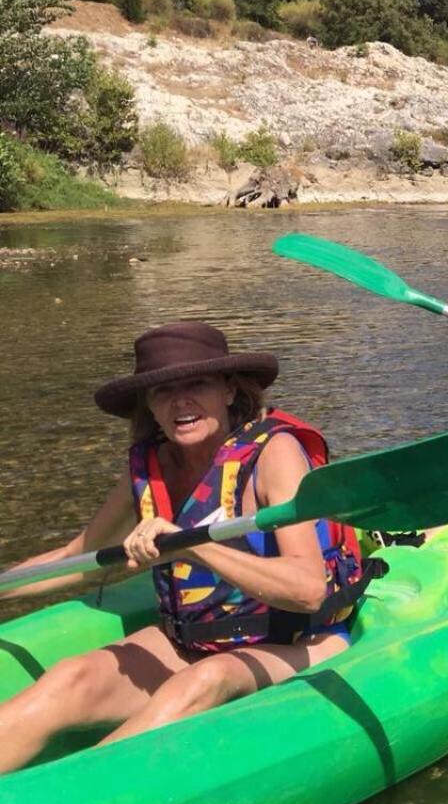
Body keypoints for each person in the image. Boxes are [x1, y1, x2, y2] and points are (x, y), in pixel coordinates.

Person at [0, 323, 371, 775]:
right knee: (68, 680)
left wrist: (191, 546)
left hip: (297, 640)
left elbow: (309, 589)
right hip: (193, 638)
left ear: (230, 390)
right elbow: (80, 558)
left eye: (196, 384)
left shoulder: (275, 454)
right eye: (162, 391)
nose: (180, 403)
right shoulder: (151, 465)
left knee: (204, 680)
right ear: (149, 406)